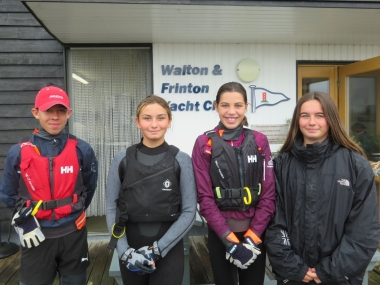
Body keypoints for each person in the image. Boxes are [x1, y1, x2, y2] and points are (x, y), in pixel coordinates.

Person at [265, 92, 379, 285]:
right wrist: (294, 267)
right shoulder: (281, 165)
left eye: (320, 115)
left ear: (331, 118)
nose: (312, 122)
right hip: (294, 276)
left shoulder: (355, 164)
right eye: (305, 115)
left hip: (339, 277)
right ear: (297, 120)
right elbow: (274, 221)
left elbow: (364, 228)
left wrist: (329, 270)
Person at [0, 86, 98, 285]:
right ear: (36, 113)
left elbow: (89, 187)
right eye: (48, 110)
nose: (55, 116)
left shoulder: (82, 149)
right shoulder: (18, 152)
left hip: (73, 235)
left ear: (69, 113)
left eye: (61, 111)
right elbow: (8, 194)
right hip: (36, 235)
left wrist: (72, 211)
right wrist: (25, 222)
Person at [106, 95, 197, 285]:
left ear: (169, 121)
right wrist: (124, 252)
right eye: (147, 118)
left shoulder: (181, 159)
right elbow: (111, 209)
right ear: (137, 122)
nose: (154, 124)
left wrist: (157, 249)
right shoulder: (122, 159)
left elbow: (189, 212)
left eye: (160, 118)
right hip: (131, 247)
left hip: (169, 248)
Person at [191, 82, 276, 285]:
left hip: (254, 234)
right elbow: (204, 197)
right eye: (225, 105)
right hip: (220, 234)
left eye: (238, 105)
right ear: (216, 106)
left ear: (246, 106)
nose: (231, 112)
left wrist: (253, 237)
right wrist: (229, 240)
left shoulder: (259, 141)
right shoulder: (204, 143)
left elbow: (269, 194)